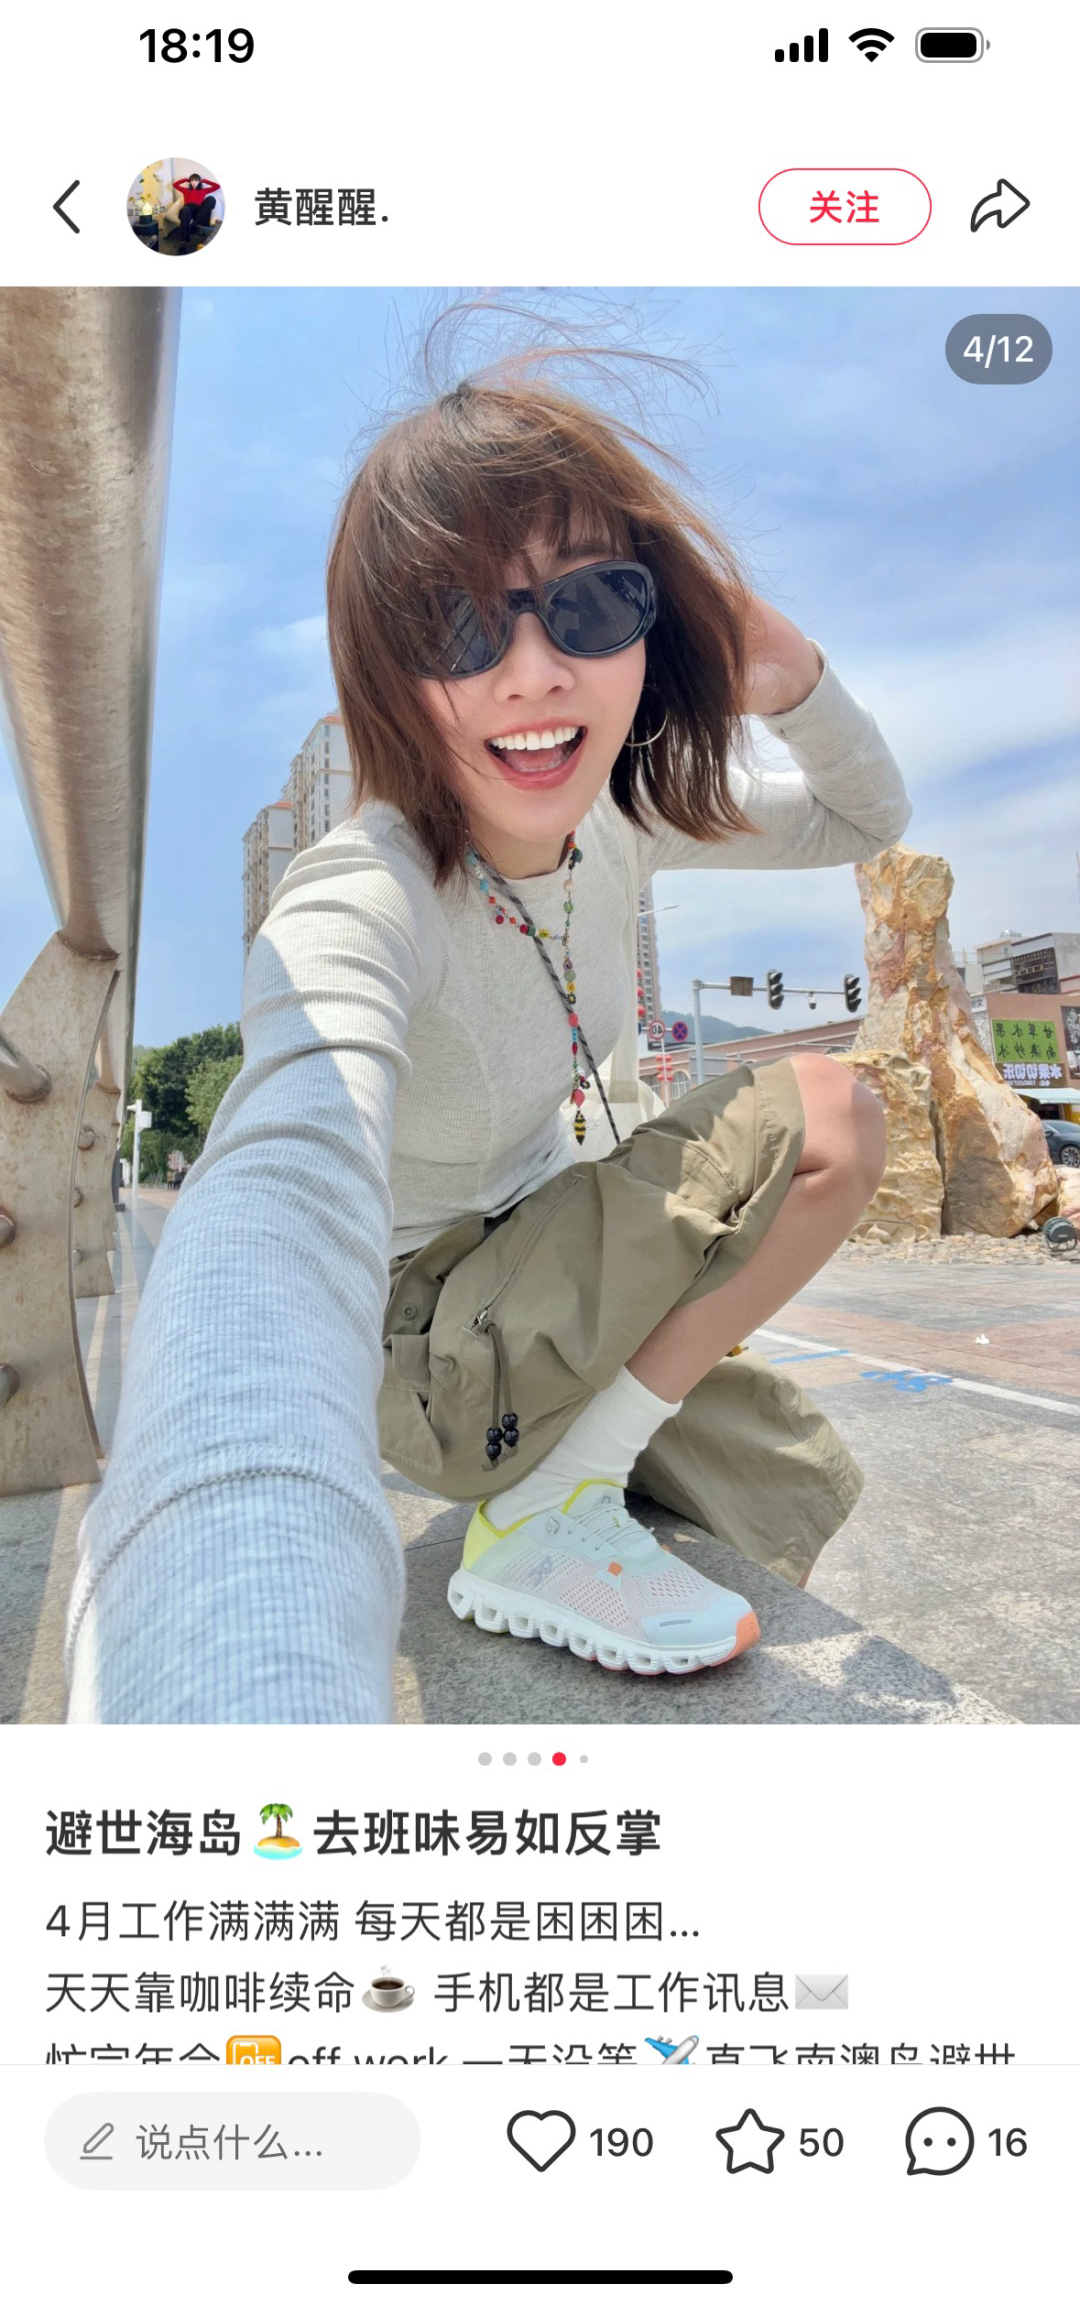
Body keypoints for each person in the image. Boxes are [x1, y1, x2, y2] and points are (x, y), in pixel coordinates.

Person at [65, 349, 908, 1724]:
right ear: (384, 676)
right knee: (822, 1113)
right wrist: (229, 1616)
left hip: (524, 1270)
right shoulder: (366, 886)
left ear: (651, 627)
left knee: (767, 1433)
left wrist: (797, 678)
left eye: (592, 603)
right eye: (454, 625)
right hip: (418, 1350)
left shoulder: (624, 820)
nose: (532, 672)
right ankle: (550, 1506)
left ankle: (568, 1477)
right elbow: (273, 1177)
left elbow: (866, 818)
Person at [162, 172, 221, 250]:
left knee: (211, 199)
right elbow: (175, 185)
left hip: (199, 213)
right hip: (187, 211)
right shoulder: (185, 190)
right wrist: (185, 180)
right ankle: (184, 241)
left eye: (196, 180)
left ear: (199, 181)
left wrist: (205, 181)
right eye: (192, 180)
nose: (194, 182)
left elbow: (217, 186)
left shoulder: (203, 190)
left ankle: (195, 223)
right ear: (190, 182)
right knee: (185, 209)